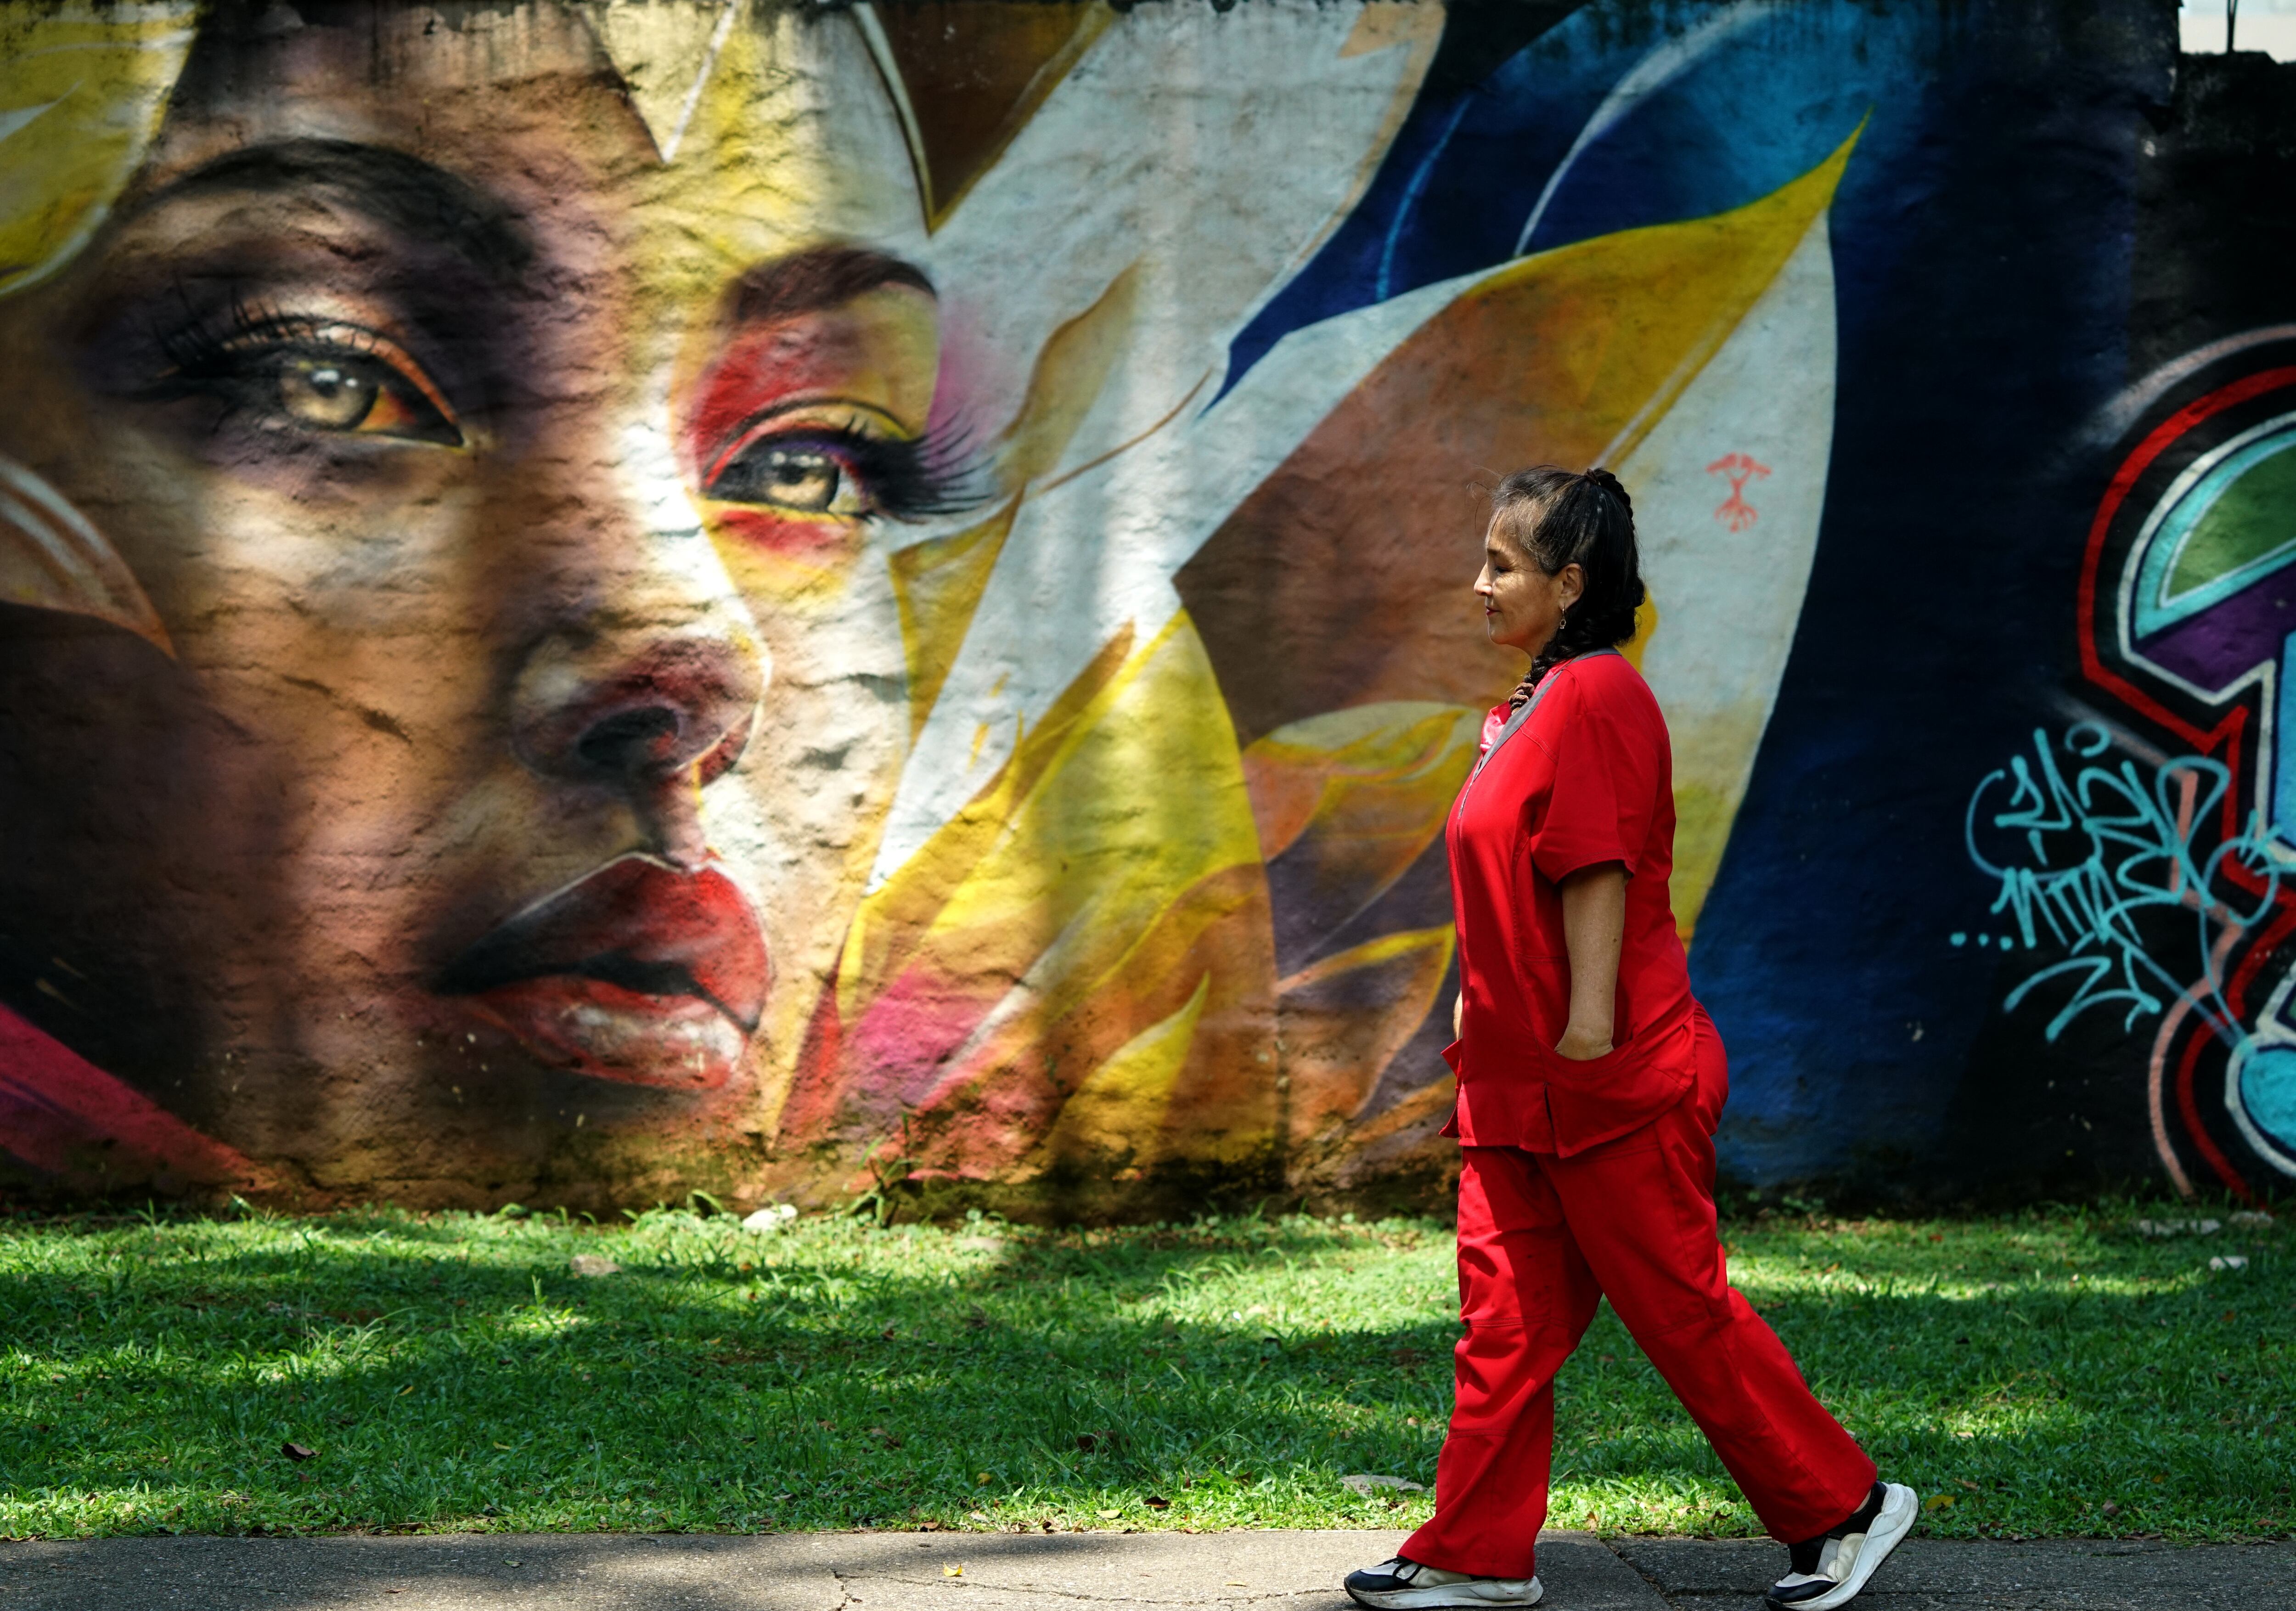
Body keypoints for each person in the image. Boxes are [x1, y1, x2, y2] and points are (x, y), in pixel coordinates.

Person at [1343, 468, 1915, 1611]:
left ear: (1570, 582)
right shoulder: (1520, 711)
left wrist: (1590, 1033)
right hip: (1514, 1084)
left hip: (1607, 1072)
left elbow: (1595, 865)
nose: (1479, 582)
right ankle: (1476, 1549)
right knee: (1501, 1320)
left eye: (1501, 564)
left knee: (1679, 1310)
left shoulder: (1598, 694)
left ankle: (1845, 1506)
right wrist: (1483, 1018)